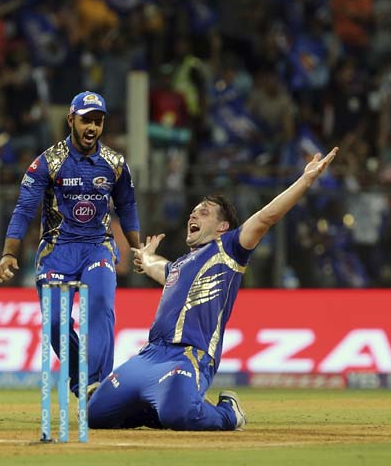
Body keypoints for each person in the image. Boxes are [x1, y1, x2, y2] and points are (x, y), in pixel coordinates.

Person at [87, 147, 339, 431]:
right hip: (149, 356)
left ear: (222, 226)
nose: (193, 215)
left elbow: (266, 217)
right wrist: (146, 258)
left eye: (204, 212)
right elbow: (161, 269)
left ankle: (229, 413)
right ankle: (157, 407)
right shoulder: (180, 266)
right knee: (94, 415)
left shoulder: (230, 249)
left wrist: (305, 180)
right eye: (193, 212)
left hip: (187, 357)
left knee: (179, 416)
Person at [0, 91, 141, 396]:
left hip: (97, 247)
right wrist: (9, 253)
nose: (92, 128)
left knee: (101, 308)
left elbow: (127, 206)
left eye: (98, 121)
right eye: (86, 120)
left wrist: (136, 248)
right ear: (71, 120)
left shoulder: (114, 163)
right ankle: (83, 380)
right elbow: (24, 209)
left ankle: (100, 389)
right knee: (55, 323)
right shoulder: (48, 162)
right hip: (57, 250)